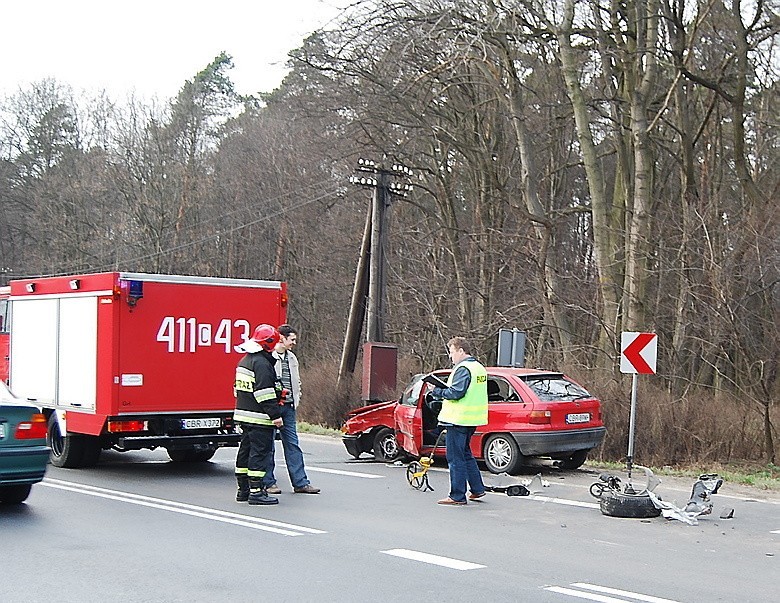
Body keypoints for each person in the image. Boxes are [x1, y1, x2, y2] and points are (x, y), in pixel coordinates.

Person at [428, 336, 488, 505]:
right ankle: (477, 489)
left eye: (452, 352)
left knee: (455, 458)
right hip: (472, 419)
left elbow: (456, 393)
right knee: (466, 454)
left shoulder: (463, 369)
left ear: (461, 351)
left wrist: (437, 391)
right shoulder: (479, 368)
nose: (450, 356)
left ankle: (457, 495)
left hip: (457, 419)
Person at [262, 324, 320, 495]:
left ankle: (301, 482)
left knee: (293, 445)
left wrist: (296, 399)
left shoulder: (292, 358)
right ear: (281, 338)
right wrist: (271, 407)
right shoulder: (270, 357)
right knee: (268, 446)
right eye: (292, 339)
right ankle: (269, 482)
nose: (294, 343)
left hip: (288, 407)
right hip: (273, 408)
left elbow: (297, 382)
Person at [234, 324, 285, 505]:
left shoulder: (245, 361)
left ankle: (243, 490)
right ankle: (256, 492)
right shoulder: (262, 363)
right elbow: (264, 393)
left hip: (244, 415)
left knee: (245, 451)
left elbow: (237, 390)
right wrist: (276, 416)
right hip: (259, 417)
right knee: (259, 453)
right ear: (269, 343)